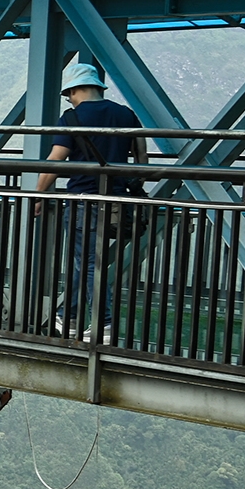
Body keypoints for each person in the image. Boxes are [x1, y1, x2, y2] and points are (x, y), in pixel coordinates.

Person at [32, 62, 145, 341]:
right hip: (117, 201)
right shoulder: (126, 115)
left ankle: (104, 323)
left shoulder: (72, 118)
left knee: (89, 263)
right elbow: (142, 159)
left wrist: (38, 194)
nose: (68, 99)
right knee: (84, 260)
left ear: (73, 89)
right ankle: (67, 317)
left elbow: (56, 159)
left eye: (67, 94)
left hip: (84, 200)